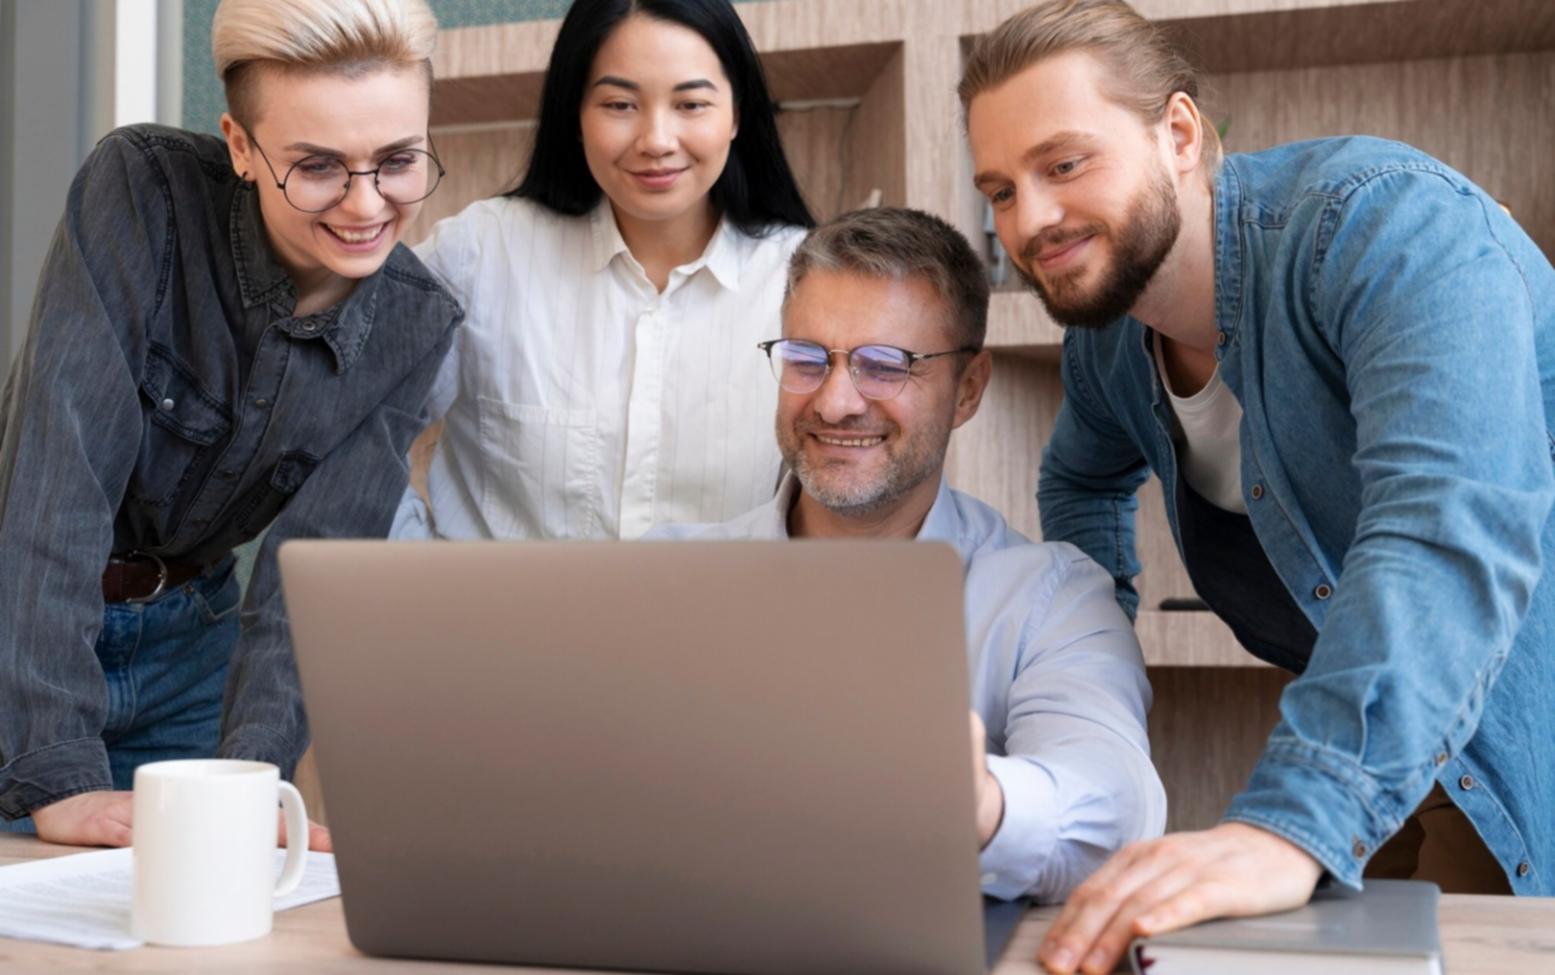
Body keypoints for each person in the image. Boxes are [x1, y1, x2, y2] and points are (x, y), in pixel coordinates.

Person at [960, 0, 1555, 970]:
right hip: (1383, 733)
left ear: (1180, 134)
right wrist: (1087, 665)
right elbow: (1079, 480)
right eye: (998, 189)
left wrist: (1291, 824)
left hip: (1520, 720)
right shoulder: (1111, 347)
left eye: (1063, 165)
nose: (1030, 220)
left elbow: (1444, 528)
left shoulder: (1384, 227)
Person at [0, 0, 461, 848]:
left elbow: (309, 577)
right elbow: (58, 475)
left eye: (397, 160)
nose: (366, 206)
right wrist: (52, 760)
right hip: (22, 623)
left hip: (187, 649)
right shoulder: (142, 189)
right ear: (242, 147)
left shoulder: (414, 324)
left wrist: (256, 776)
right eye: (318, 166)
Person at [651, 207, 1166, 902]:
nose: (835, 402)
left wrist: (978, 799)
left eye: (884, 365)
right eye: (807, 358)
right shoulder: (665, 578)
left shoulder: (1052, 597)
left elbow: (1119, 807)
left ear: (968, 390)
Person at [394, 0, 816, 542]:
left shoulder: (805, 280)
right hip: (497, 625)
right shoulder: (480, 252)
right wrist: (418, 575)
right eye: (620, 104)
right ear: (575, 113)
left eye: (690, 104)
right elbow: (351, 432)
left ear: (736, 115)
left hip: (721, 625)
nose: (657, 140)